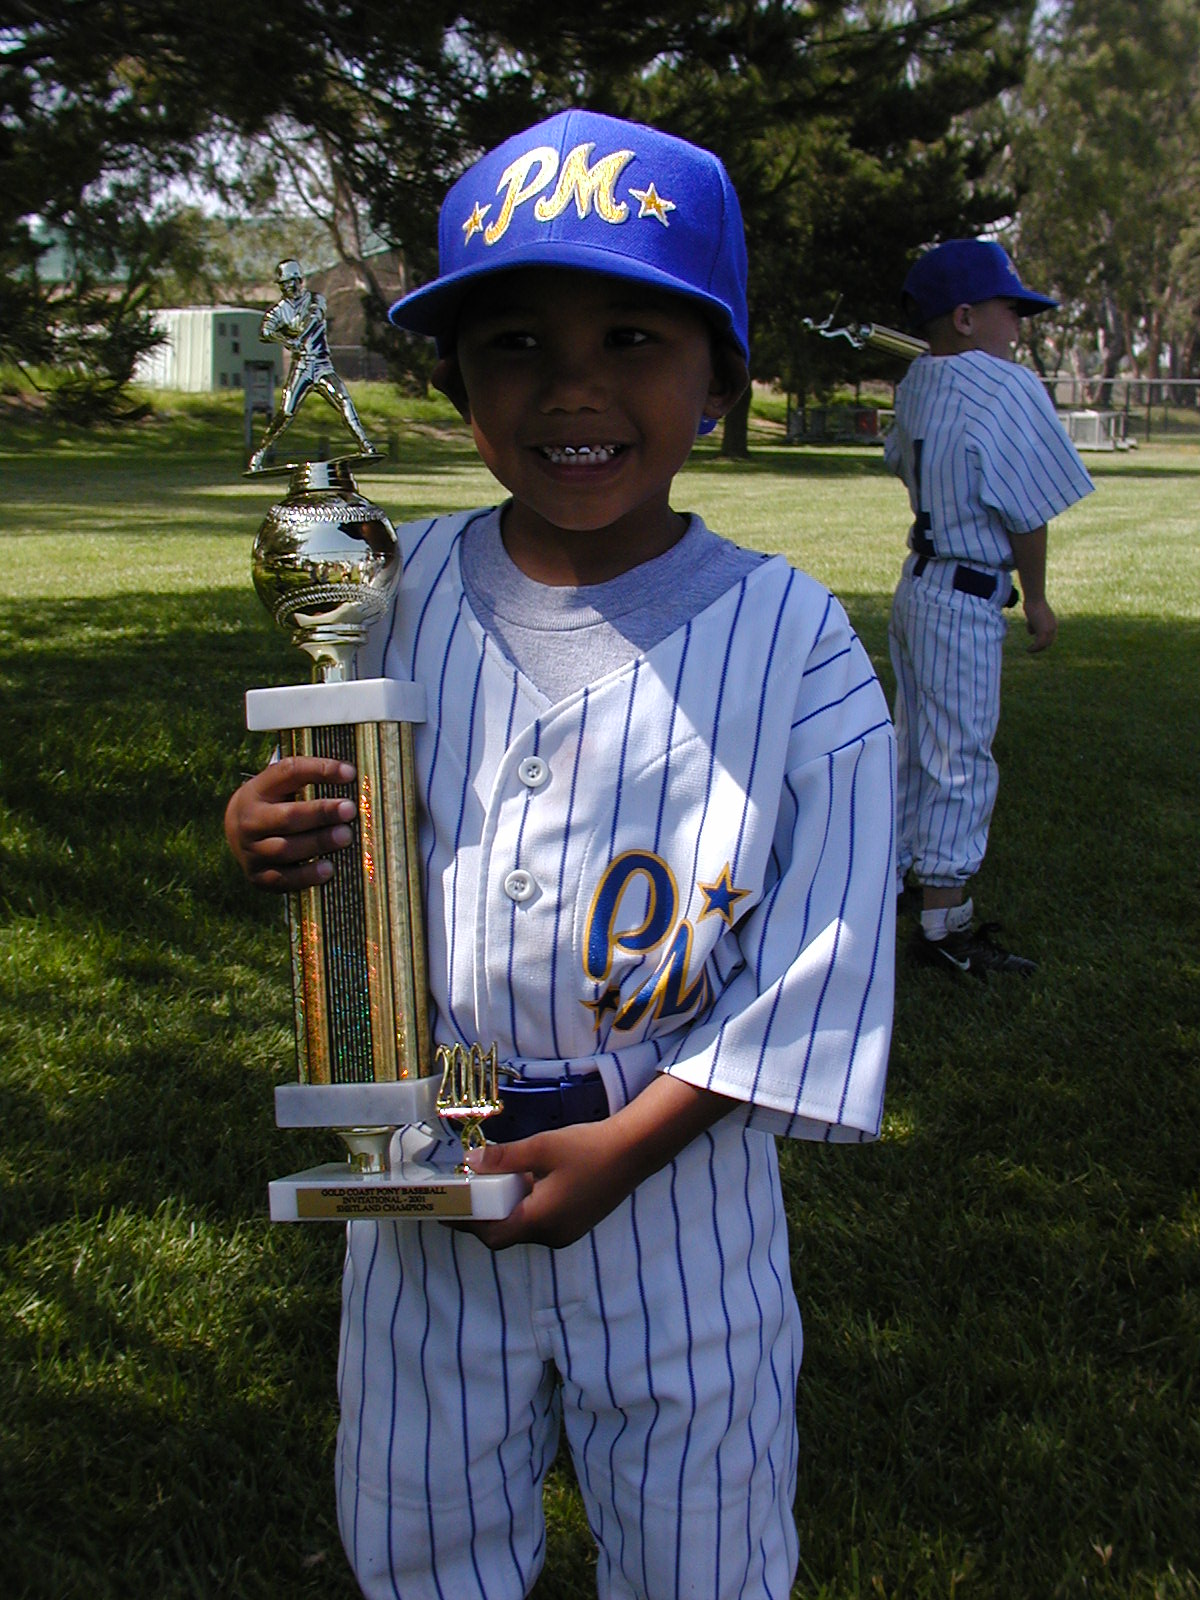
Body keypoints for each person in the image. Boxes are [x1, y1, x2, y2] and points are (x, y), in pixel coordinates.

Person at [226, 109, 895, 1600]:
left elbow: (825, 950)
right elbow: (344, 816)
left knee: (704, 1540)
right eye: (515, 342)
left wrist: (631, 1144)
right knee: (418, 1533)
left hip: (679, 1183)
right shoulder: (391, 588)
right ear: (457, 379)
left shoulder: (790, 634)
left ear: (720, 375)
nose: (572, 386)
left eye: (633, 338)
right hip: (426, 1162)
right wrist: (266, 825)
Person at [885, 238, 1094, 977]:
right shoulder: (1006, 386)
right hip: (964, 591)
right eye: (1011, 310)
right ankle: (946, 924)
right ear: (966, 317)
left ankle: (898, 878)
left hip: (918, 584)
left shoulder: (917, 380)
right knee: (959, 757)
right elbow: (1027, 511)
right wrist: (1036, 597)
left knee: (915, 743)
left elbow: (896, 459)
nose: (1019, 326)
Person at [246, 258, 376, 472]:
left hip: (322, 364)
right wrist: (286, 341)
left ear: (299, 280)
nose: (287, 288)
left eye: (290, 282)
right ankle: (259, 455)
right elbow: (265, 331)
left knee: (343, 400)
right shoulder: (279, 310)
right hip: (301, 367)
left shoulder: (315, 299)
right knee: (286, 412)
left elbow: (314, 317)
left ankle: (365, 445)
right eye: (283, 284)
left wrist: (299, 338)